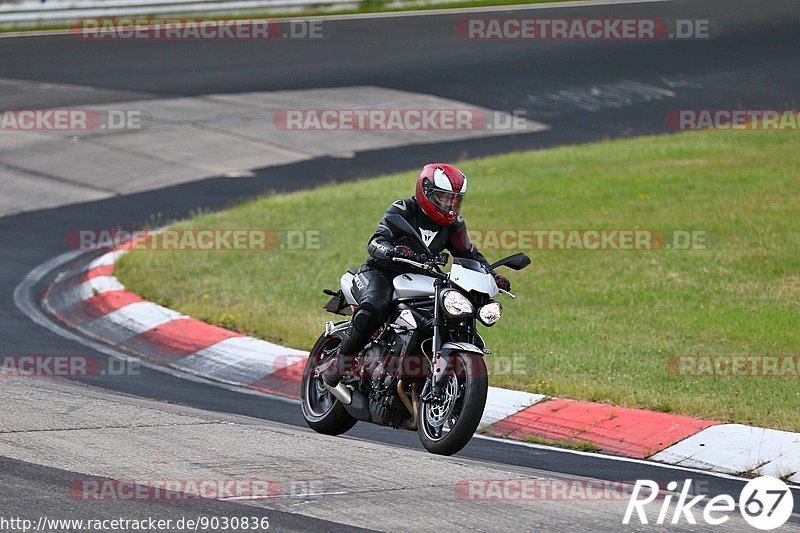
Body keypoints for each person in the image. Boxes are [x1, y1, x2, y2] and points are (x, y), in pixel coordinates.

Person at [321, 163, 510, 387]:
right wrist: (390, 250)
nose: (450, 205)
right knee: (373, 309)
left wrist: (490, 274)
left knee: (449, 316)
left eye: (455, 199)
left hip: (421, 278)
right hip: (382, 273)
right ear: (426, 191)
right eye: (444, 197)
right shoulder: (403, 209)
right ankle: (340, 364)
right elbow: (377, 241)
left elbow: (469, 254)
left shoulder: (454, 225)